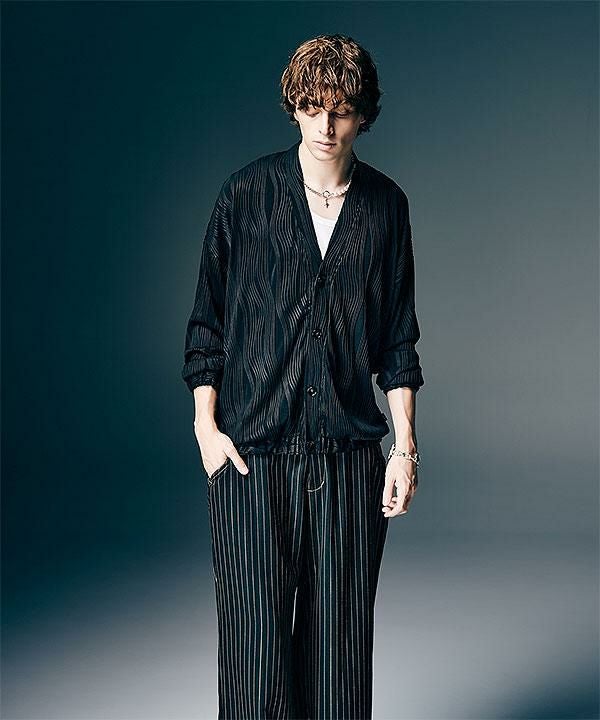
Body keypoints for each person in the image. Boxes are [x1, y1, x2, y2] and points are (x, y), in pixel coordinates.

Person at [181, 33, 424, 720]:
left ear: (362, 115)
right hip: (251, 459)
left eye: (340, 110)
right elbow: (206, 326)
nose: (325, 125)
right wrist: (206, 429)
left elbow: (397, 339)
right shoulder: (246, 196)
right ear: (293, 106)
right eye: (313, 107)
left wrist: (404, 448)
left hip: (347, 463)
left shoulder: (385, 207)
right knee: (254, 667)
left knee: (338, 669)